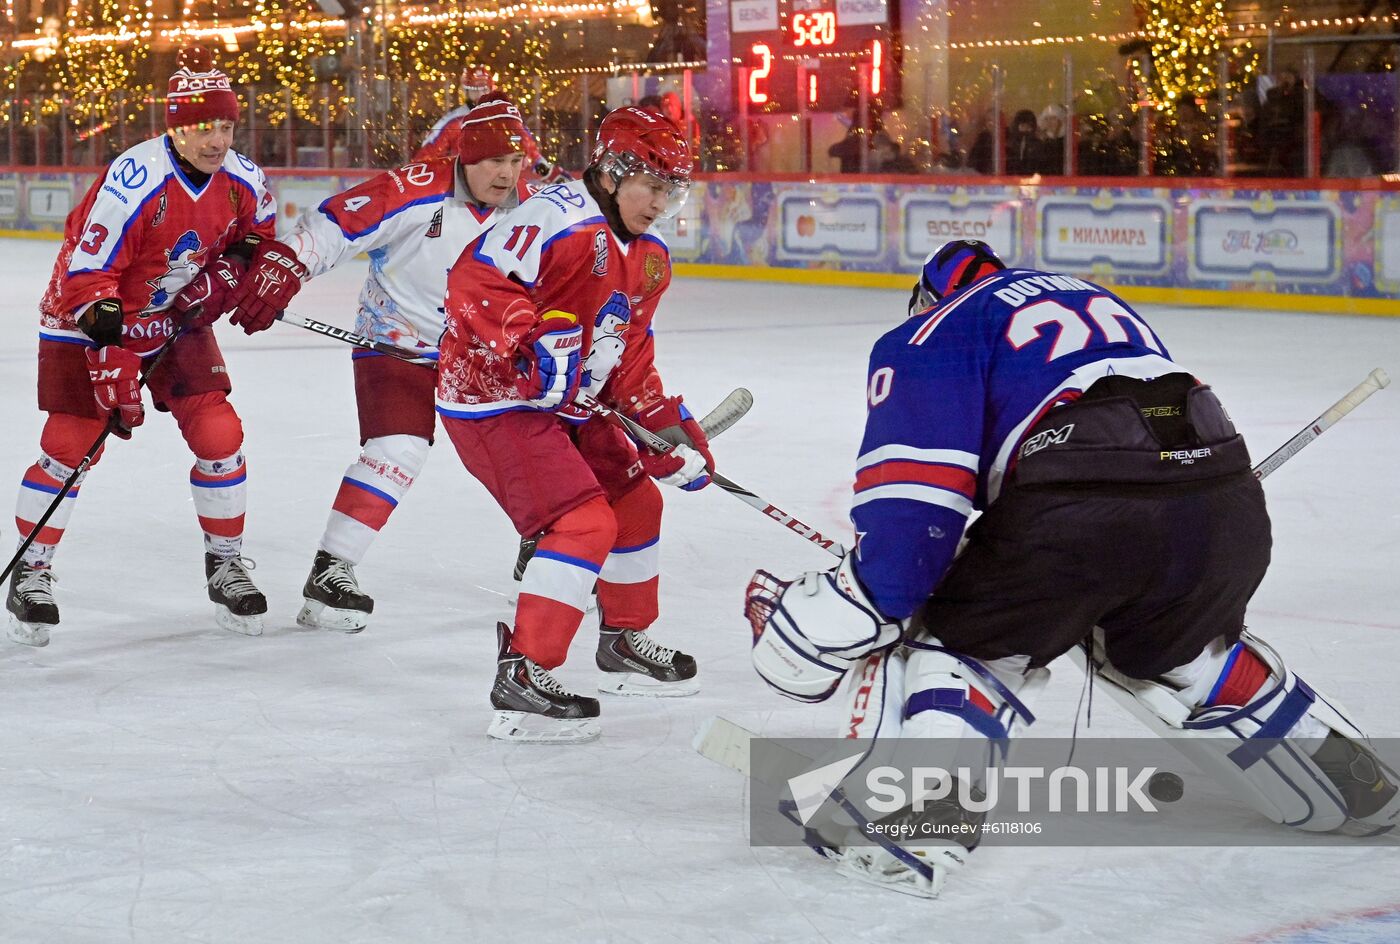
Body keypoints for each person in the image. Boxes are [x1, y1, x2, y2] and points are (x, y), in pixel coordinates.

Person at [745, 239, 1400, 896]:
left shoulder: (937, 329)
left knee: (961, 636)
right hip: (1223, 501)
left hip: (1082, 497)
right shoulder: (1091, 298)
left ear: (928, 298)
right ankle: (1354, 781)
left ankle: (913, 823)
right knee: (1175, 649)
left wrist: (816, 626)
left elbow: (907, 538)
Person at [6, 46, 305, 645]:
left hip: (169, 319)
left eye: (225, 124)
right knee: (71, 444)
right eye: (202, 126)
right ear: (174, 124)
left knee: (219, 433)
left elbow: (254, 245)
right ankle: (31, 572)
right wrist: (110, 352)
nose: (216, 139)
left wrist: (221, 283)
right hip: (83, 316)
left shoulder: (244, 180)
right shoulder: (134, 179)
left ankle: (226, 563)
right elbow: (87, 276)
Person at [439, 105, 711, 742]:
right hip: (495, 400)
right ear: (614, 173)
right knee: (584, 521)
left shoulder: (648, 258)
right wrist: (526, 340)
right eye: (653, 186)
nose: (661, 202)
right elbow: (473, 281)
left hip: (571, 408)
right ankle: (525, 671)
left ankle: (623, 643)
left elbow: (628, 354)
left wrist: (663, 428)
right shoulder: (555, 217)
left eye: (673, 191)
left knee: (638, 503)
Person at [277, 97, 531, 632]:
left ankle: (546, 548)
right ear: (466, 158)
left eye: (515, 162)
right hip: (397, 342)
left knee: (526, 454)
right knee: (398, 449)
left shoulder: (534, 207)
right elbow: (336, 225)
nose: (505, 174)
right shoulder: (415, 189)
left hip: (483, 359)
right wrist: (285, 267)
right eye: (493, 162)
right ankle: (332, 569)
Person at [414, 68, 569, 186]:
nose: (481, 94)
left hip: (503, 183)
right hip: (466, 187)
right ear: (466, 92)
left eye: (485, 89)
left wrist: (549, 172)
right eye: (475, 90)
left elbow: (527, 146)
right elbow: (427, 156)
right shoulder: (452, 122)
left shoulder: (504, 117)